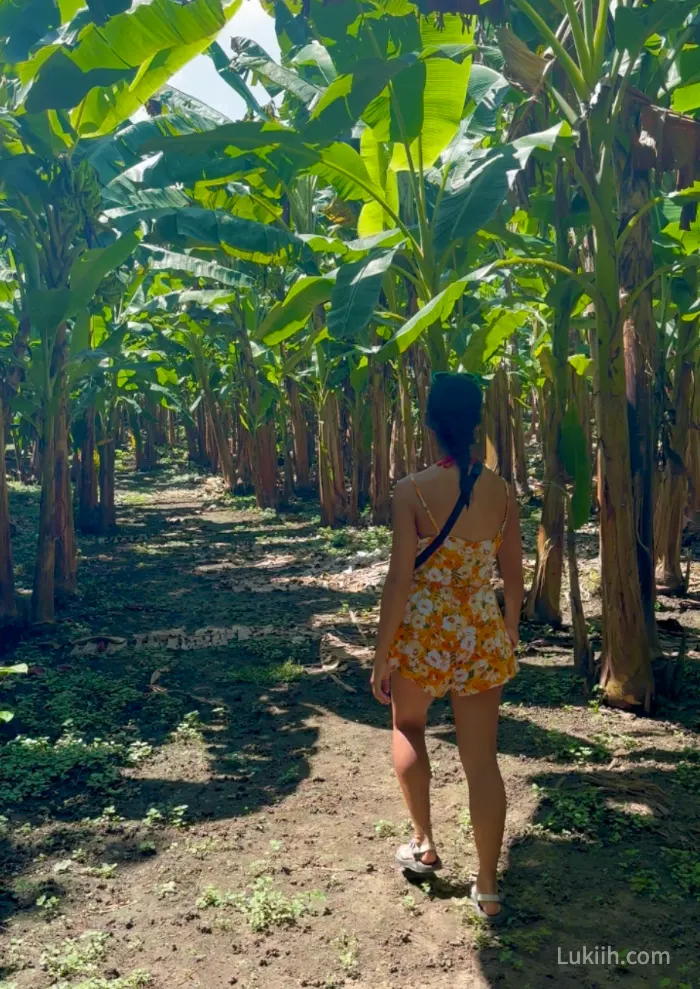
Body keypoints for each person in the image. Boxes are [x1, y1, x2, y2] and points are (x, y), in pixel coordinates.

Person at [370, 372, 523, 923]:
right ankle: (487, 885)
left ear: (431, 423)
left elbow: (400, 580)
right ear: (476, 421)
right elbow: (512, 573)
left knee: (407, 726)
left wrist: (382, 651)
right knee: (482, 759)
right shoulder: (502, 490)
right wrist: (508, 630)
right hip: (480, 627)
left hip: (425, 630)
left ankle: (424, 842)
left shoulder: (411, 490)